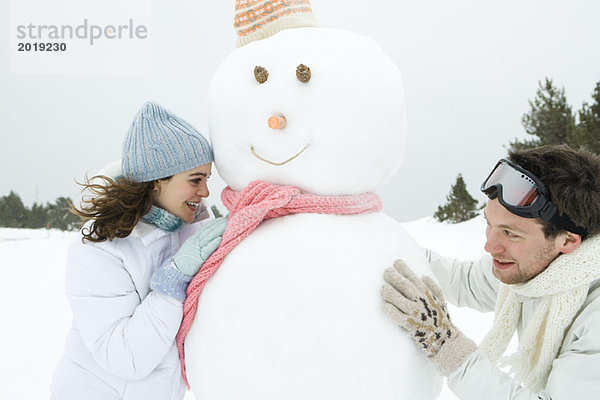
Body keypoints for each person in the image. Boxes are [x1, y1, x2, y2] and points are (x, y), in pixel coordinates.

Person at [381, 145, 600, 399]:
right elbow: (464, 282)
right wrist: (384, 245)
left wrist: (446, 346)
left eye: (511, 233)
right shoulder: (538, 270)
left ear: (567, 241)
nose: (489, 246)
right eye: (489, 224)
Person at [50, 102, 227, 400]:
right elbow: (124, 356)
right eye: (195, 180)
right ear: (158, 180)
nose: (206, 192)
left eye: (206, 179)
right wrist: (171, 282)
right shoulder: (98, 248)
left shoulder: (194, 231)